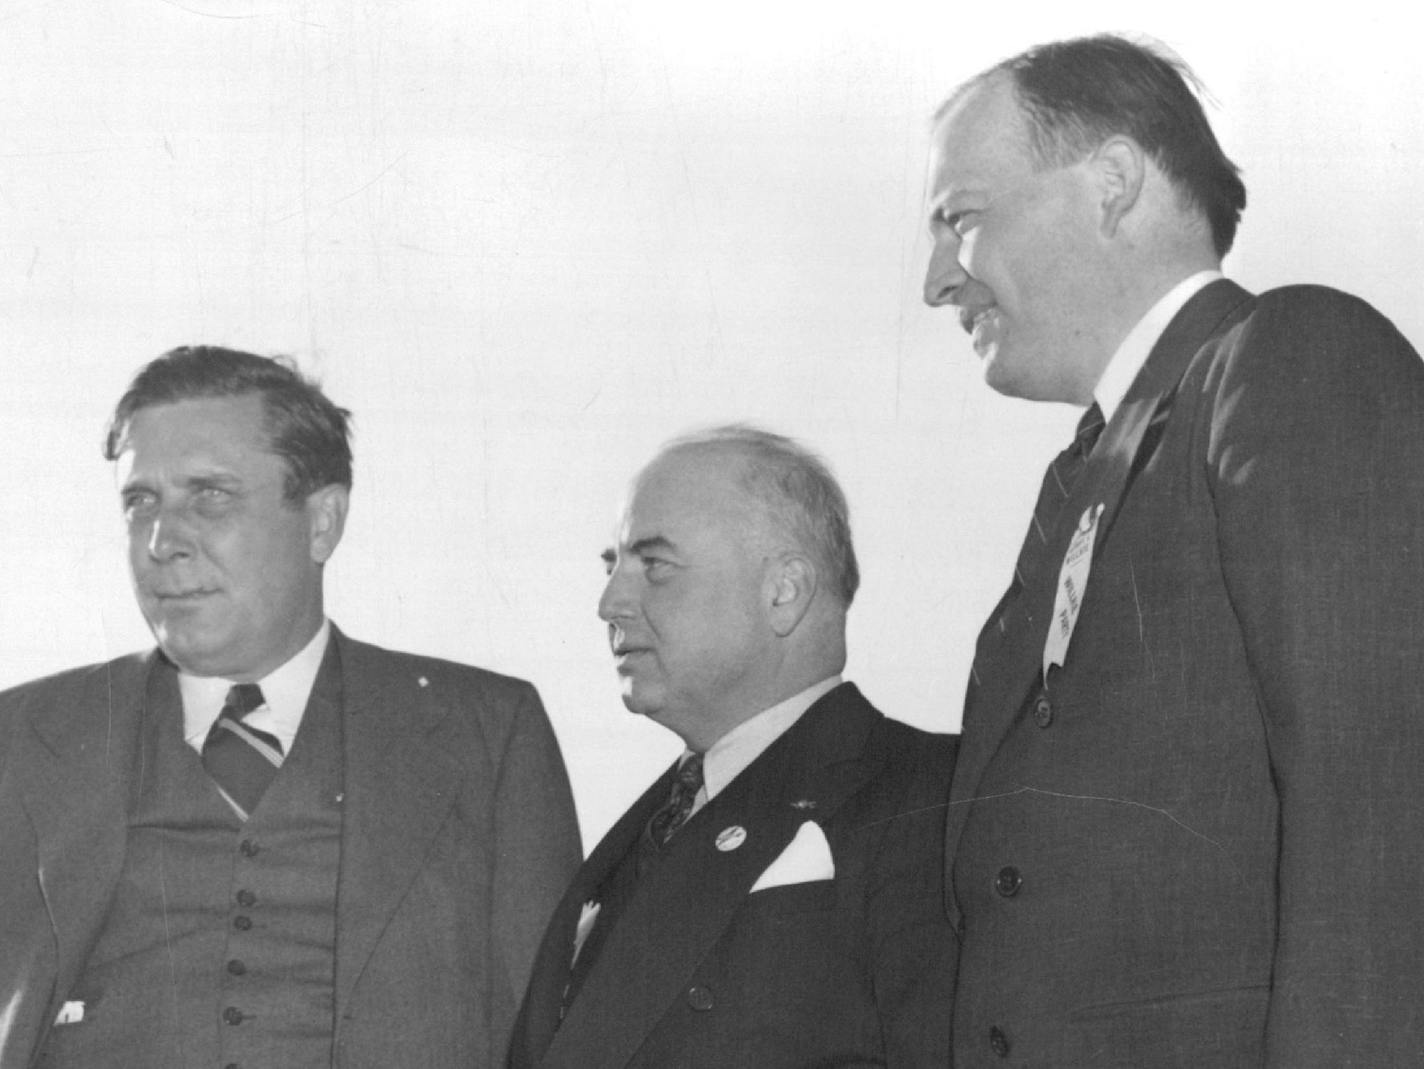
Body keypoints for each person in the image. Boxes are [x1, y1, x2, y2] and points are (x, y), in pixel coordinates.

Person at [922, 33, 1424, 1066]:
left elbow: (1381, 829)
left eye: (959, 220)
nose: (937, 281)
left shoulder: (1289, 362)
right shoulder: (1085, 476)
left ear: (1110, 183)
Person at [0, 346, 581, 1068]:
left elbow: (553, 1033)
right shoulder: (22, 737)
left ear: (322, 522)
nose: (161, 540)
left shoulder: (487, 730)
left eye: (209, 495)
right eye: (139, 501)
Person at [509, 425, 957, 1068]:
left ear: (784, 592)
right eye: (613, 567)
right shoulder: (655, 823)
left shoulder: (932, 800)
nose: (609, 603)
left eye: (654, 565)